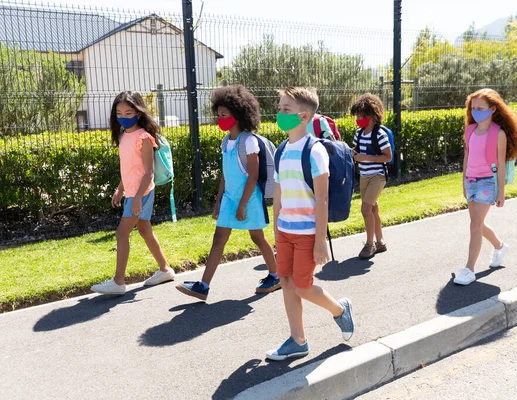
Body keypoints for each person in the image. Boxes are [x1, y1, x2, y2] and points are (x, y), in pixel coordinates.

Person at [266, 87, 354, 361]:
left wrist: (319, 242)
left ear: (304, 116)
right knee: (287, 282)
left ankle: (339, 310)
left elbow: (323, 200)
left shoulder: (314, 150)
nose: (279, 114)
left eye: (286, 110)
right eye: (280, 108)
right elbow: (279, 191)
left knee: (303, 286)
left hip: (306, 233)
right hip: (285, 230)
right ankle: (298, 340)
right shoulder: (281, 150)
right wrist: (276, 226)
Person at [176, 85, 279, 301]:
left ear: (239, 115)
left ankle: (275, 275)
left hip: (248, 199)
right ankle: (203, 286)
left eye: (224, 115)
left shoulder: (249, 141)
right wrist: (219, 201)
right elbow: (225, 175)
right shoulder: (226, 141)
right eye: (218, 114)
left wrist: (242, 205)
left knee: (257, 237)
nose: (220, 118)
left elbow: (252, 177)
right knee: (218, 239)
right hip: (230, 199)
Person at [91, 91, 174, 295]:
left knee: (121, 233)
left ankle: (119, 282)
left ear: (138, 113)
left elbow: (148, 172)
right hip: (132, 193)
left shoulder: (144, 138)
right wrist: (120, 189)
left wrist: (137, 199)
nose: (123, 117)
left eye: (129, 112)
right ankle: (165, 270)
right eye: (119, 113)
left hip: (142, 193)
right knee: (145, 230)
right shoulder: (123, 136)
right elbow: (129, 169)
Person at [454, 88, 517, 286]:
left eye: (480, 108)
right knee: (478, 224)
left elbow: (500, 164)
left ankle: (469, 270)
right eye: (473, 108)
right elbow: (467, 156)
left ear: (492, 109)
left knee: (474, 225)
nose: (475, 111)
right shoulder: (470, 130)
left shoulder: (498, 134)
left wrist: (501, 192)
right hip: (471, 181)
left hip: (487, 183)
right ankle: (500, 246)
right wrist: (463, 181)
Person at [350, 94, 392, 259]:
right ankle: (380, 242)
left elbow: (387, 157)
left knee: (365, 209)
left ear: (373, 115)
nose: (359, 119)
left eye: (362, 115)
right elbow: (358, 149)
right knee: (373, 208)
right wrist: (354, 152)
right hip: (364, 175)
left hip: (377, 176)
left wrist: (364, 157)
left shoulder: (380, 134)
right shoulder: (359, 133)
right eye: (357, 116)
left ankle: (370, 245)